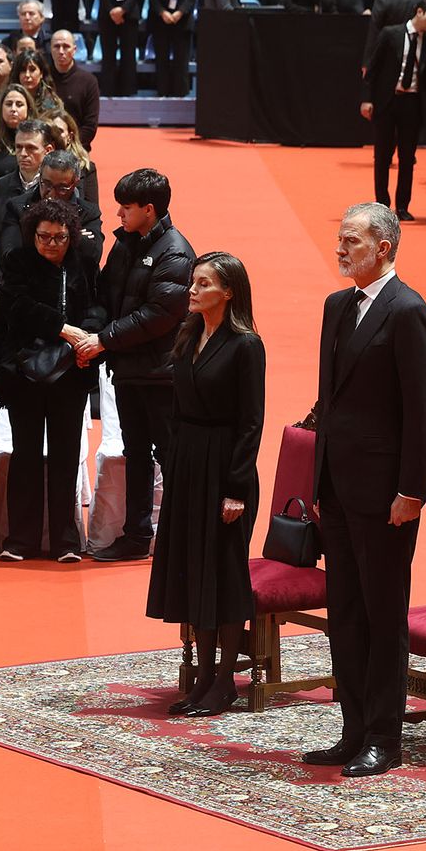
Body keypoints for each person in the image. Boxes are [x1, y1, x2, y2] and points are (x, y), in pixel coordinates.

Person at [304, 202, 426, 778]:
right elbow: (329, 403)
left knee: (383, 616)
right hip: (337, 490)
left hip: (387, 496)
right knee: (346, 613)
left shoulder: (409, 312)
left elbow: (425, 410)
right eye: (338, 239)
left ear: (383, 248)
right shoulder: (336, 307)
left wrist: (414, 489)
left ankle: (385, 737)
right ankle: (353, 727)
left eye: (352, 241)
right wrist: (317, 479)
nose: (340, 248)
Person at [145, 249, 263, 715]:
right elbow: (176, 408)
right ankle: (204, 678)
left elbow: (251, 422)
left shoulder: (246, 345)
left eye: (203, 284)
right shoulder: (190, 333)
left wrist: (235, 488)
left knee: (225, 575)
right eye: (192, 282)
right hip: (190, 465)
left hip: (225, 470)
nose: (192, 290)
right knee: (197, 571)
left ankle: (225, 681)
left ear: (228, 292)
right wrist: (173, 465)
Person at [76, 169, 195, 562]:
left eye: (125, 208)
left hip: (162, 375)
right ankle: (137, 535)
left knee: (172, 456)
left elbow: (159, 314)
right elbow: (108, 293)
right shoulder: (127, 243)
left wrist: (104, 339)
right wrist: (96, 331)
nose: (119, 215)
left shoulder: (175, 252)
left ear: (149, 209)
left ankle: (181, 537)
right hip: (129, 371)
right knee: (137, 455)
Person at [0, 196, 101, 561]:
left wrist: (88, 339)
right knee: (24, 455)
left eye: (59, 237)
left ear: (71, 236)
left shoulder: (84, 263)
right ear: (32, 235)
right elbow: (16, 306)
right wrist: (63, 328)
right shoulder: (18, 261)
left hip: (72, 373)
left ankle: (66, 541)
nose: (51, 245)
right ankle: (20, 540)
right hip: (26, 373)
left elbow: (99, 307)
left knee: (66, 456)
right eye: (44, 237)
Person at [360, 0, 426, 220]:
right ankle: (381, 205)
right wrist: (367, 100)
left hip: (412, 103)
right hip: (387, 100)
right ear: (419, 12)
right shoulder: (390, 33)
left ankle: (403, 206)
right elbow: (372, 68)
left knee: (408, 157)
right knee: (383, 156)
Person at [147, 0, 195, 97]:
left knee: (181, 60)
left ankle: (180, 95)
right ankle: (163, 93)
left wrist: (180, 12)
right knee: (162, 60)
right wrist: (162, 12)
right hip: (162, 19)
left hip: (181, 19)